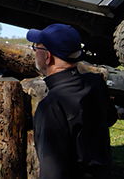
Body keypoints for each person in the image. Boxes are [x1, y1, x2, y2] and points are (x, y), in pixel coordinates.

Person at [27, 24, 116, 179]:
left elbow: (53, 172)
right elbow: (111, 117)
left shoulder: (51, 106)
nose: (34, 52)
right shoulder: (95, 84)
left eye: (37, 48)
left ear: (48, 57)